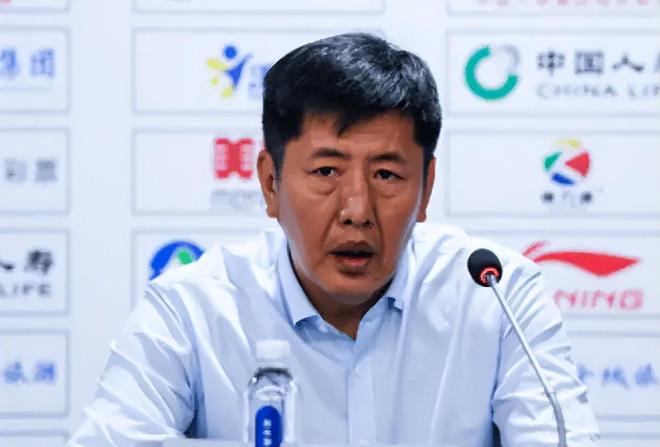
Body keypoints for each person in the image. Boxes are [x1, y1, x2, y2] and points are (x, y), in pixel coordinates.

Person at [69, 33, 600, 446]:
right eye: (326, 171)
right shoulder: (193, 309)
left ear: (426, 187)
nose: (357, 211)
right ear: (271, 184)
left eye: (387, 175)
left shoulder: (496, 294)